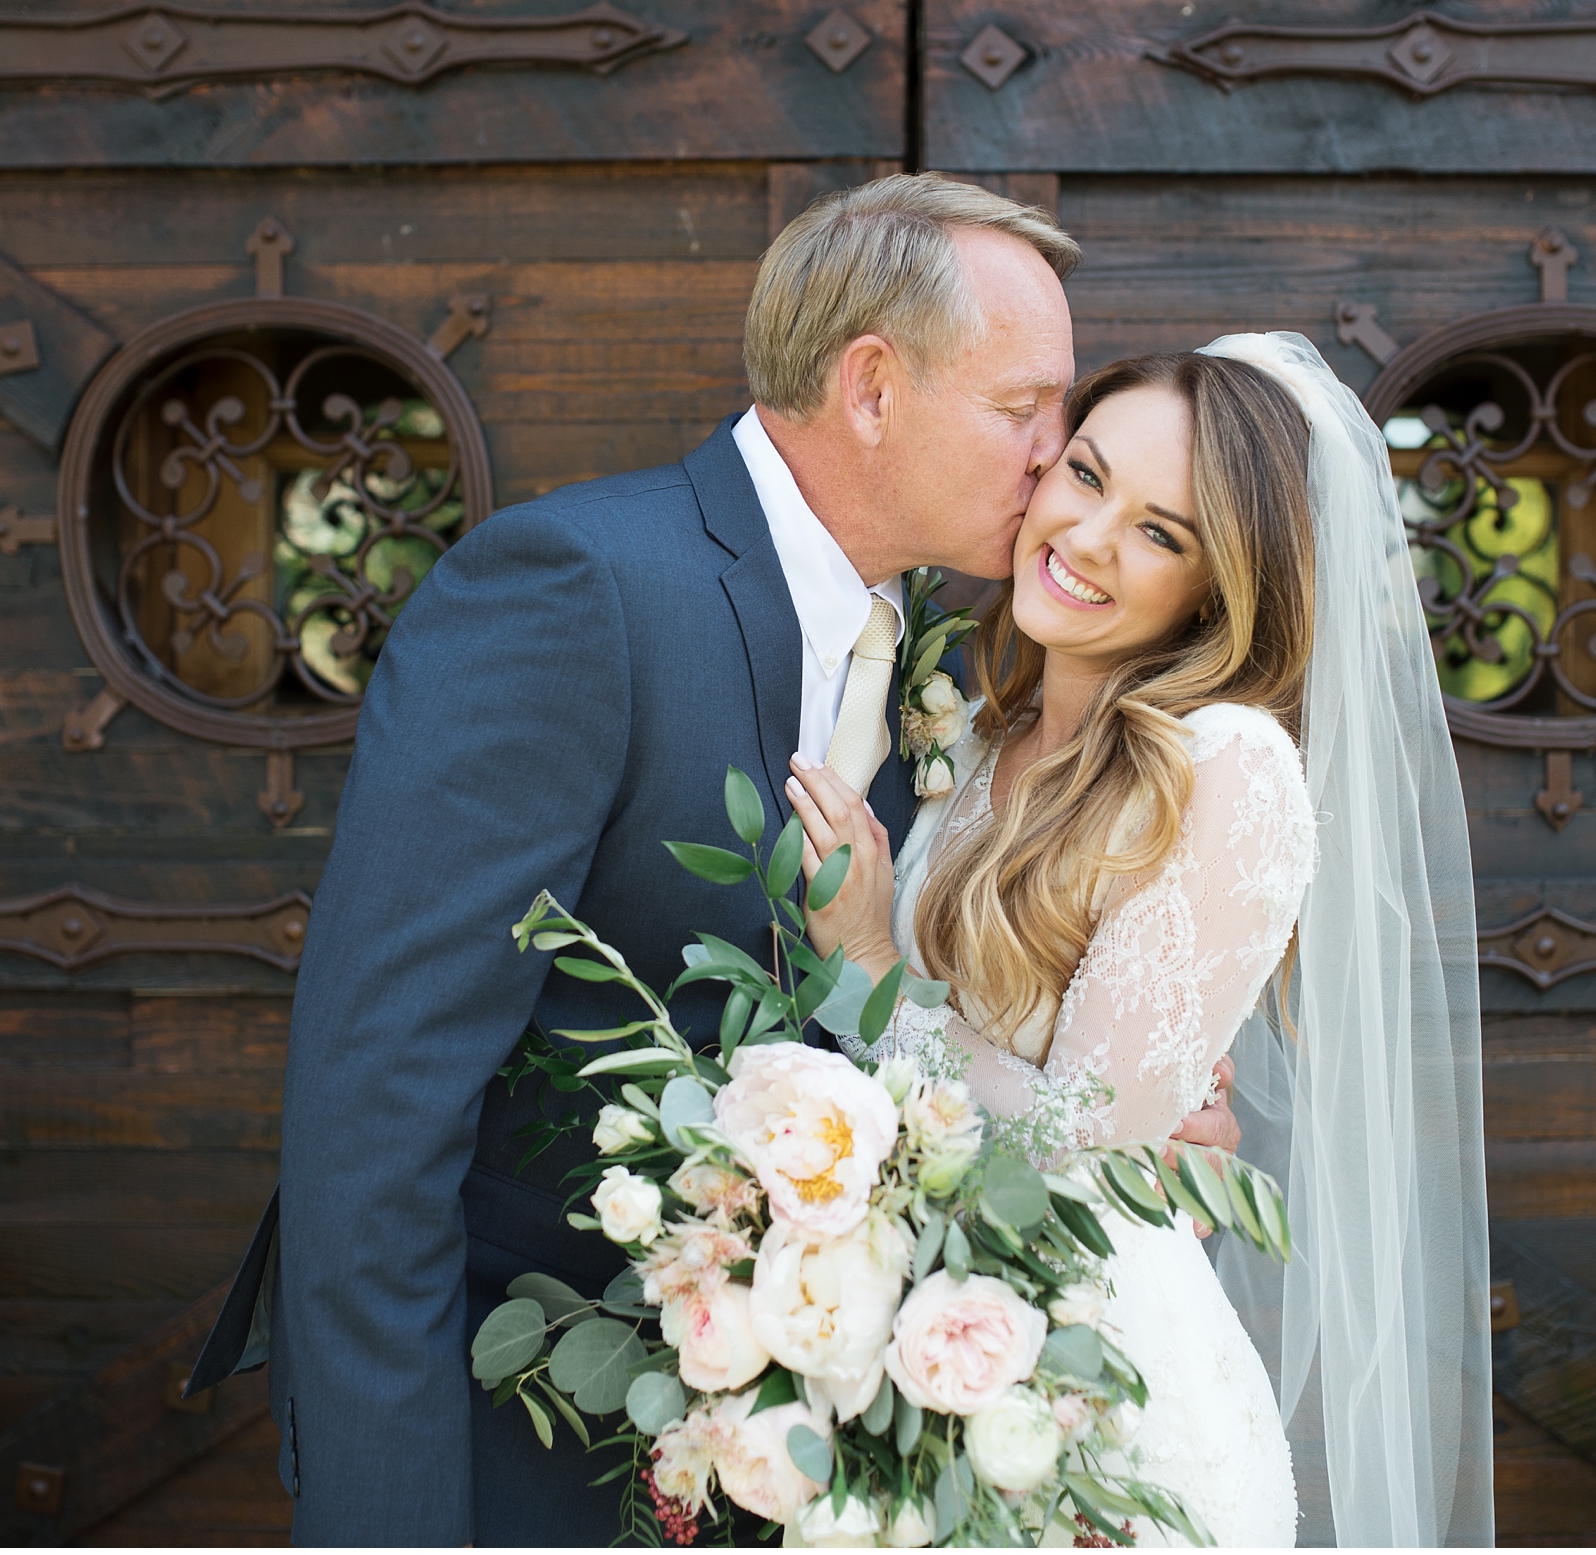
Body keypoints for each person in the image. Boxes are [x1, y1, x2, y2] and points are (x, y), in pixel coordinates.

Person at [182, 175, 1241, 1545]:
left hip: (795, 1473)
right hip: (530, 1450)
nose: (1055, 455)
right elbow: (375, 1116)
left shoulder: (944, 653)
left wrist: (1116, 1136)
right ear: (871, 386)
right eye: (1020, 408)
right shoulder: (576, 589)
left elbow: (912, 1017)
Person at [791, 337, 1496, 1546]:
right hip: (920, 1355)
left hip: (1099, 1399)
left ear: (1220, 586)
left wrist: (867, 963)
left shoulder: (1224, 769)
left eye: (1161, 533)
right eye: (1084, 474)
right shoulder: (967, 740)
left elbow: (1087, 1148)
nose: (1087, 537)